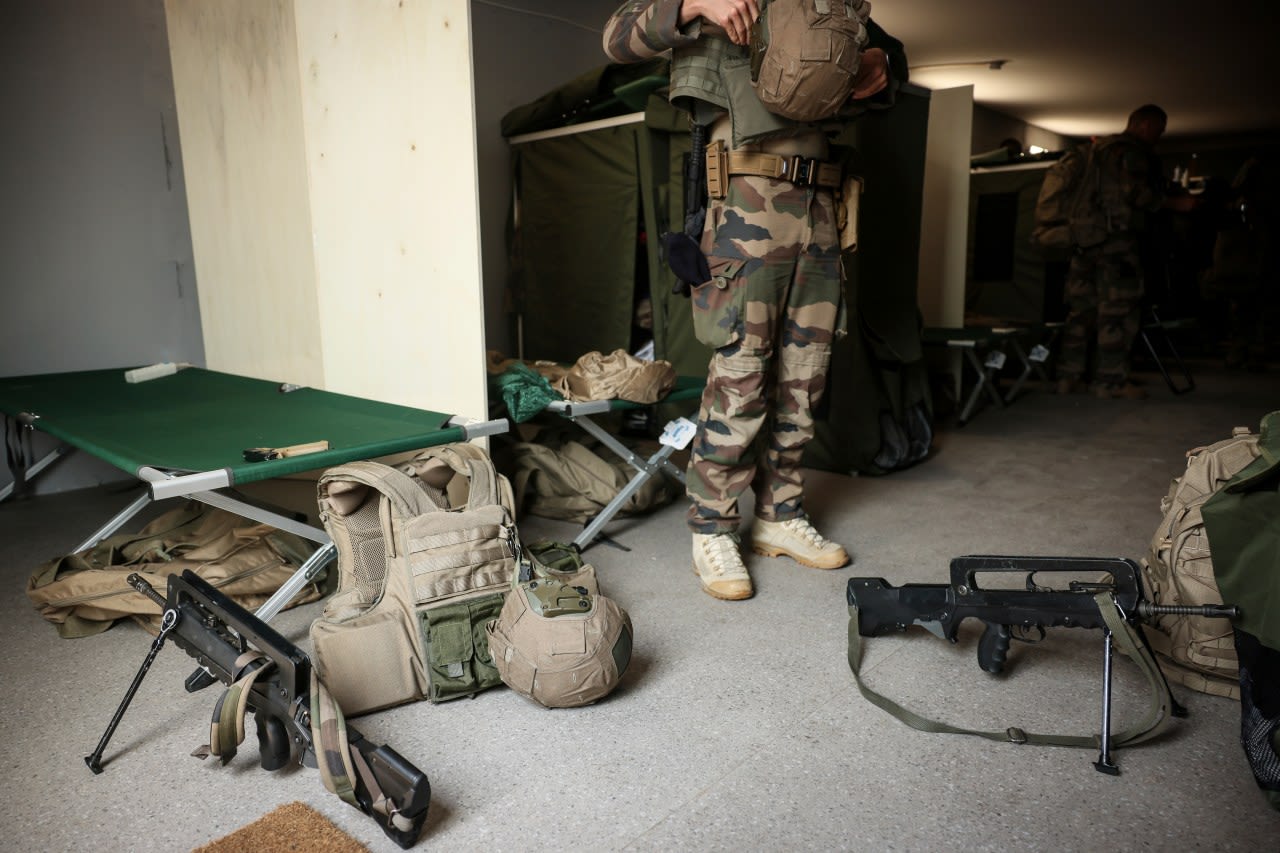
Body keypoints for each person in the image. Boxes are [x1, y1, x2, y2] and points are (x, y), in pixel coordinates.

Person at [602, 1, 902, 600]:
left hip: (821, 203)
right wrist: (692, 4)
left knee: (806, 373)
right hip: (744, 197)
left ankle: (780, 515)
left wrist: (883, 62)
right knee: (741, 371)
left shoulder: (824, 8)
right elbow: (616, 35)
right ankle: (712, 526)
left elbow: (888, 56)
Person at [1056, 104, 1196, 399]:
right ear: (1144, 125)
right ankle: (1109, 382)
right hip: (1116, 244)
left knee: (1081, 311)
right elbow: (1133, 193)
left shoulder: (1096, 150)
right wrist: (1174, 204)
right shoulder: (1130, 152)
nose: (1158, 137)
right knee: (1117, 312)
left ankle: (1068, 377)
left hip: (1083, 240)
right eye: (1158, 130)